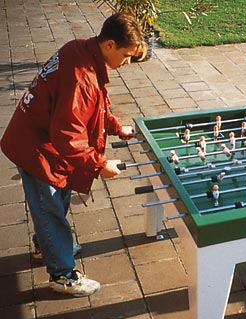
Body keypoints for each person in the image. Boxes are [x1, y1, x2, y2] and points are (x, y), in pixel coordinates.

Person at [1, 13, 148, 297]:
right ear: (109, 45)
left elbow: (93, 107)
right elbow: (68, 136)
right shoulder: (82, 77)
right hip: (37, 149)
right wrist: (99, 164)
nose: (128, 62)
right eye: (127, 55)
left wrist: (116, 126)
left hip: (42, 139)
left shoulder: (82, 48)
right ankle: (62, 275)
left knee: (59, 199)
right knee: (50, 208)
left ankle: (46, 247)